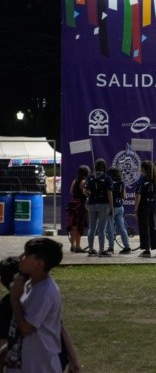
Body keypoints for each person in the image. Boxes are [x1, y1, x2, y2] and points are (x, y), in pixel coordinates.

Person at [4, 238, 80, 373]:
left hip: (40, 365)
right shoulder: (29, 285)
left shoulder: (44, 292)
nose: (21, 257)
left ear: (38, 264)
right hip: (23, 363)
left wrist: (15, 300)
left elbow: (27, 329)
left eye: (26, 255)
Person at [83, 158, 113, 257]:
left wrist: (90, 196)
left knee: (92, 228)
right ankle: (101, 250)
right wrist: (111, 207)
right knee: (102, 229)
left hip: (92, 204)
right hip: (103, 204)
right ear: (104, 167)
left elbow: (85, 191)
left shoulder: (90, 177)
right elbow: (109, 194)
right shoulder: (107, 178)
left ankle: (91, 249)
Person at [135, 160, 156, 258]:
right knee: (153, 227)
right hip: (152, 206)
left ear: (144, 169)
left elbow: (138, 195)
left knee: (144, 228)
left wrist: (136, 209)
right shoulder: (155, 179)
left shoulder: (142, 180)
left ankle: (147, 250)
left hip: (143, 206)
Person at [104, 167, 132, 254]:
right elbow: (124, 196)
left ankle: (111, 248)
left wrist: (111, 208)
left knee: (110, 228)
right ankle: (127, 246)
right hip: (120, 207)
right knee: (122, 228)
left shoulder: (109, 182)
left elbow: (110, 196)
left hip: (112, 207)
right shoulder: (121, 183)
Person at [66, 165, 90, 253]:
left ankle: (72, 245)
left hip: (73, 204)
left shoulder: (74, 181)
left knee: (73, 226)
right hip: (80, 206)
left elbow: (71, 192)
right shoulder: (83, 182)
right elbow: (86, 192)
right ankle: (78, 246)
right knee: (79, 226)